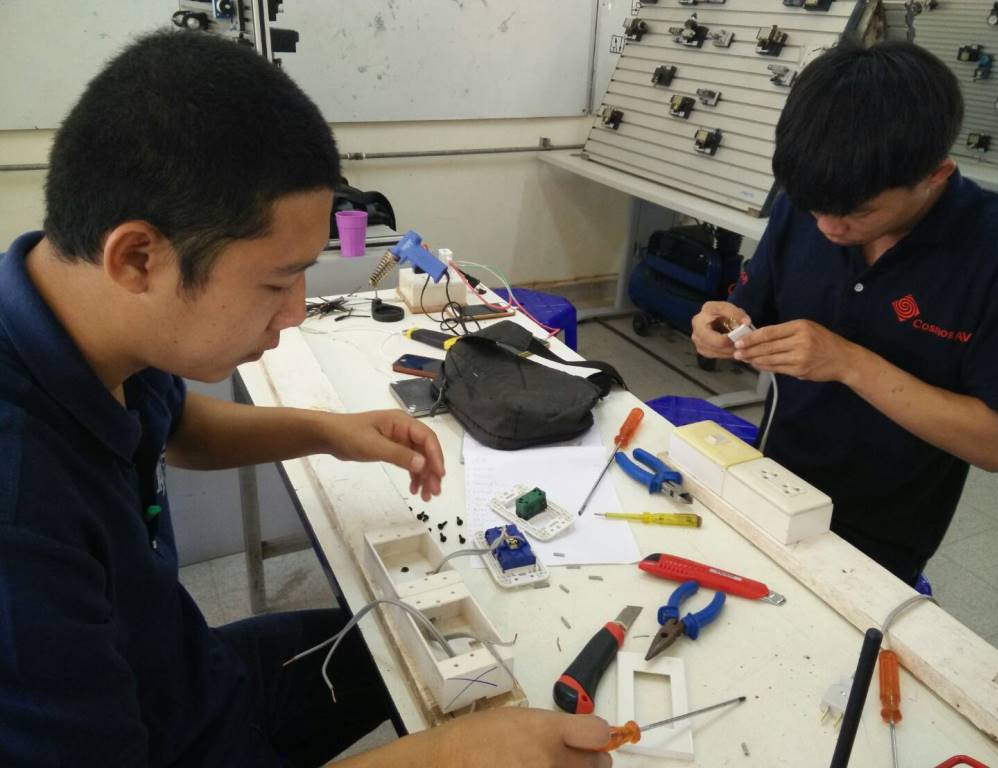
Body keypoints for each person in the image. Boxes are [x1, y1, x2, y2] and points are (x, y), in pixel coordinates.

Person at [0, 31, 611, 768]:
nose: (294, 313)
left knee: (408, 644)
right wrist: (448, 759)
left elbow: (175, 427)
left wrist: (330, 431)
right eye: (275, 281)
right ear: (137, 258)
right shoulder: (20, 512)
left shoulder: (94, 323)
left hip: (182, 673)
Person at [691, 41, 998, 585]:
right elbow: (749, 309)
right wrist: (720, 325)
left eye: (858, 213)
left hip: (885, 533)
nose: (828, 228)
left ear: (935, 175)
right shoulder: (813, 200)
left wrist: (847, 362)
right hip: (773, 479)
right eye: (815, 209)